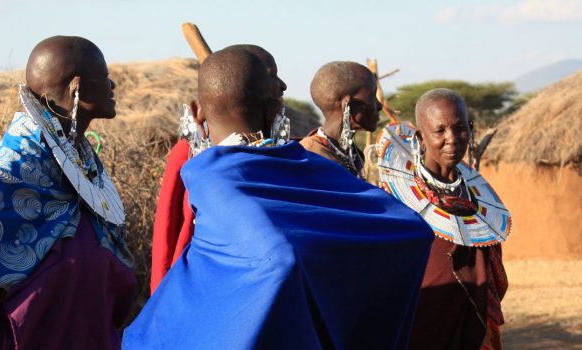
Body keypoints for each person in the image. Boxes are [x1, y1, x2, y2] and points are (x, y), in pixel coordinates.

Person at [125, 48, 433, 349]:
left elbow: (267, 259)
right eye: (275, 77)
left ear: (196, 110)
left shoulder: (209, 177)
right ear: (274, 110)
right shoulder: (306, 164)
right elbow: (411, 230)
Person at [0, 36, 135, 350]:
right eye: (105, 77)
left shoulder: (79, 158)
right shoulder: (21, 162)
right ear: (77, 87)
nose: (112, 85)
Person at [376, 88, 510, 350]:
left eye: (460, 128)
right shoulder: (397, 203)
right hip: (423, 326)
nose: (452, 139)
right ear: (420, 137)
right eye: (440, 131)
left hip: (476, 328)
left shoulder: (475, 198)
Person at [149, 44, 287, 294]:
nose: (283, 85)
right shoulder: (188, 153)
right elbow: (167, 232)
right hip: (197, 286)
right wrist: (161, 296)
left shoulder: (285, 153)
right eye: (272, 75)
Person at [300, 61, 382, 177]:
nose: (379, 106)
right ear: (347, 105)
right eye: (371, 96)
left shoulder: (352, 155)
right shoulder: (310, 156)